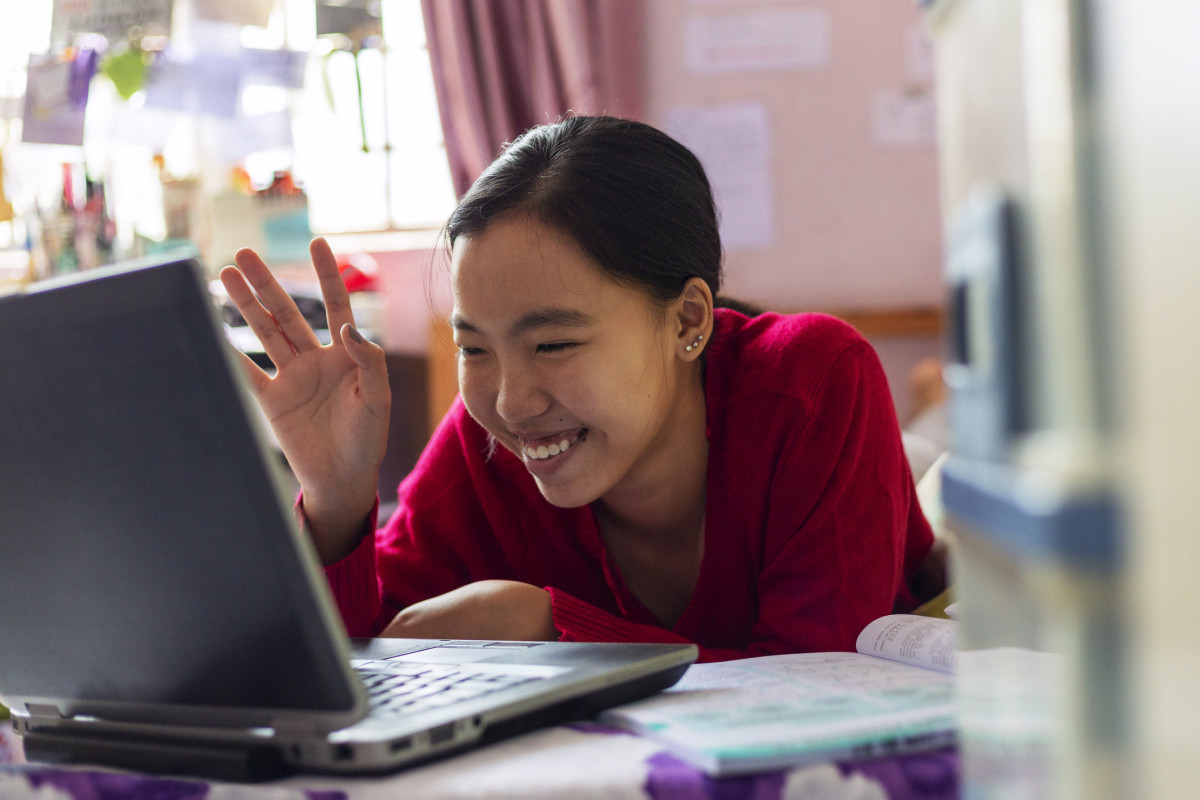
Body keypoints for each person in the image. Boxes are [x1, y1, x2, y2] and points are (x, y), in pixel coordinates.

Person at [220, 116, 937, 663]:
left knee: (939, 460)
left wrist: (553, 630)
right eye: (475, 347)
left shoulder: (811, 384)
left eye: (553, 344)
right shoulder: (487, 447)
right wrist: (340, 507)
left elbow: (827, 685)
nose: (511, 401)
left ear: (688, 319)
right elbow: (360, 667)